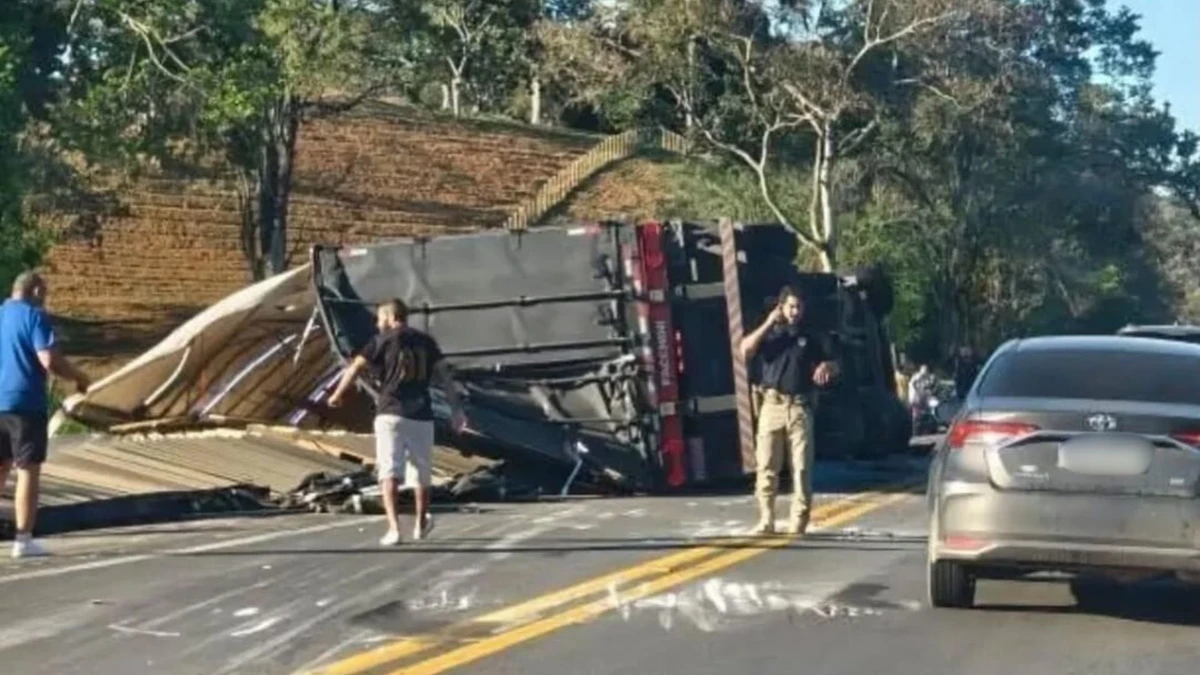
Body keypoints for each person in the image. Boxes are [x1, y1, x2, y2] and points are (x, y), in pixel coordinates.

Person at [327, 299, 466, 546]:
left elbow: (355, 368)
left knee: (389, 471)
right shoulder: (426, 342)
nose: (377, 323)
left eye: (379, 318)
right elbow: (445, 377)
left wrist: (337, 395)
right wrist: (456, 411)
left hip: (390, 414)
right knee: (421, 474)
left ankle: (394, 529)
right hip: (421, 415)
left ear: (390, 317)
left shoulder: (380, 341)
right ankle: (421, 523)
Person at [0, 272, 90, 558]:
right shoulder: (34, 316)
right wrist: (79, 377)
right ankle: (23, 540)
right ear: (36, 290)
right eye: (45, 293)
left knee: (0, 468)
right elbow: (49, 359)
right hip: (25, 404)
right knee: (27, 469)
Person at [739, 285, 839, 536]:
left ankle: (799, 521)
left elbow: (837, 363)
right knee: (767, 466)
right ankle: (766, 519)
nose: (795, 312)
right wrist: (768, 323)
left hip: (799, 406)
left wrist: (828, 366)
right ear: (781, 307)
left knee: (802, 467)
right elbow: (744, 350)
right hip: (771, 404)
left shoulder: (812, 336)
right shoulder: (771, 335)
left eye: (798, 307)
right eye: (790, 306)